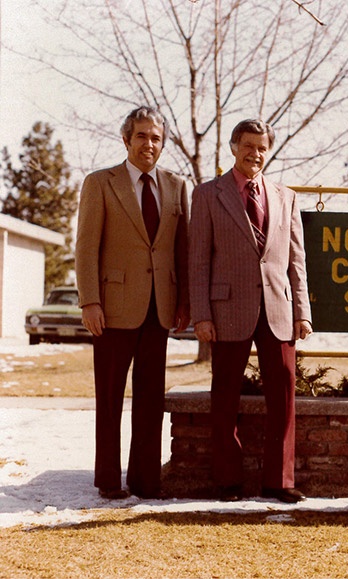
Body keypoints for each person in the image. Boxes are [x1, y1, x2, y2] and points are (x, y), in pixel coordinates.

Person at [189, 119, 312, 503]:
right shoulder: (208, 194)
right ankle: (228, 481)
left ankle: (280, 482)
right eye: (247, 146)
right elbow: (198, 260)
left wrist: (302, 310)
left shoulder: (285, 196)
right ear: (233, 147)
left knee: (285, 396)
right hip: (226, 309)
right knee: (225, 396)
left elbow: (296, 260)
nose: (254, 153)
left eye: (261, 147)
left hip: (278, 309)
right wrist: (201, 314)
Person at [75, 106, 190, 500]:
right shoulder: (100, 183)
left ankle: (146, 480)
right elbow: (86, 247)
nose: (149, 144)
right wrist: (90, 301)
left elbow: (182, 248)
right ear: (126, 140)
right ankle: (109, 479)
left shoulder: (176, 185)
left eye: (156, 138)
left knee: (150, 399)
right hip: (112, 307)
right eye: (141, 136)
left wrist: (184, 301)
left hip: (160, 307)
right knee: (109, 399)